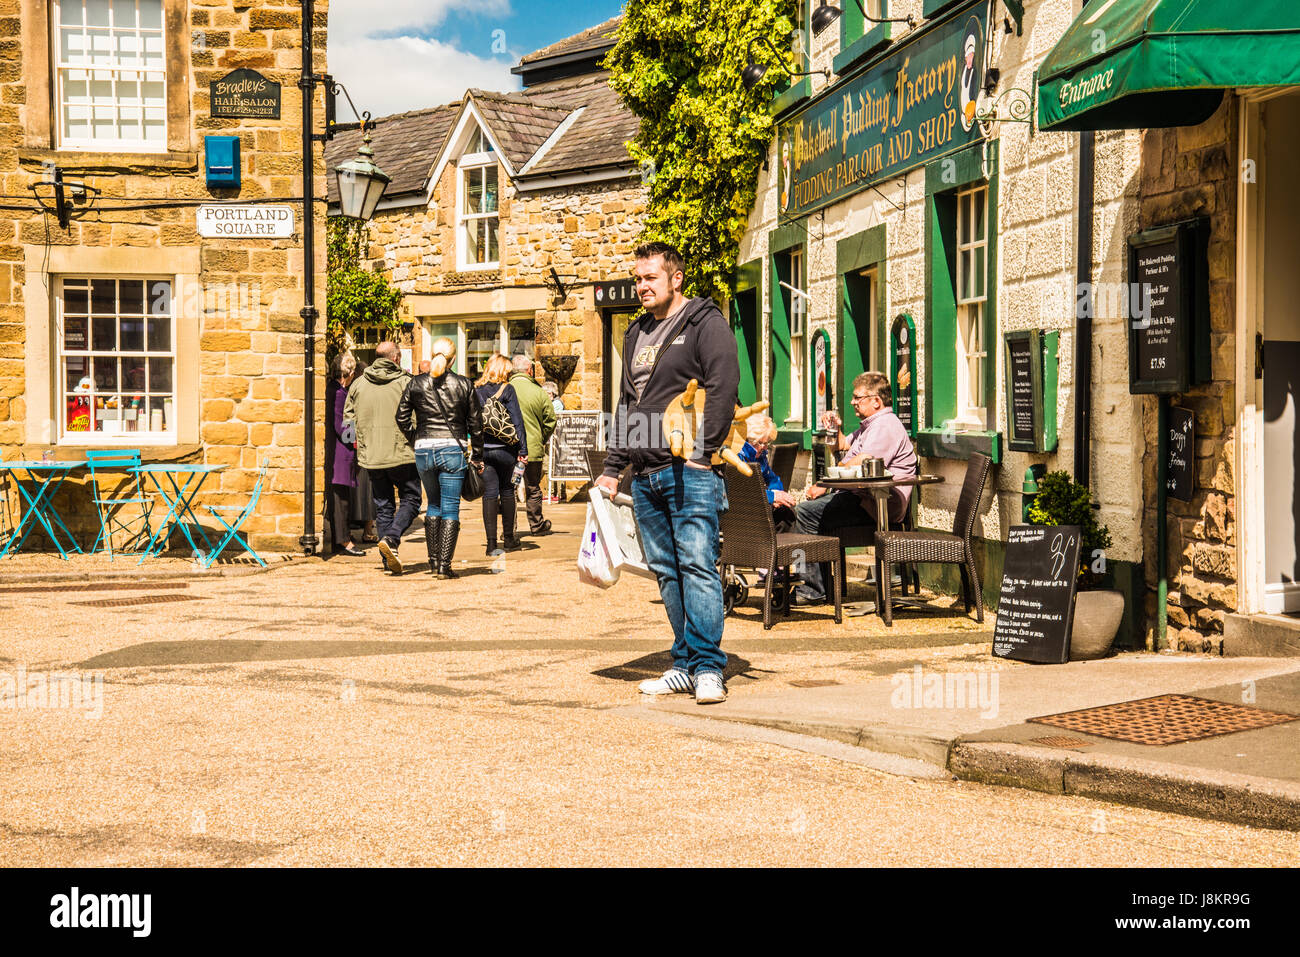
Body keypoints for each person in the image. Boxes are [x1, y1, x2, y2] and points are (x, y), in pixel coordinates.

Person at [597, 241, 739, 705]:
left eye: (650, 278)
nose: (640, 286)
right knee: (665, 571)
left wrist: (703, 452)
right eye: (637, 278)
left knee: (697, 566)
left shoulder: (705, 323)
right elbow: (627, 404)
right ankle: (683, 663)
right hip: (645, 475)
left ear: (675, 278)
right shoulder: (635, 333)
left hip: (689, 471)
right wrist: (614, 467)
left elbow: (724, 386)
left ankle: (708, 667)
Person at [792, 371, 918, 605]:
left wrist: (827, 480)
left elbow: (862, 461)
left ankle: (812, 589)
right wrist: (833, 428)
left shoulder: (886, 425)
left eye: (857, 398)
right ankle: (822, 586)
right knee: (809, 511)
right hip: (863, 498)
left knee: (805, 514)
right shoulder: (869, 426)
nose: (852, 402)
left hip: (879, 507)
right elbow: (842, 446)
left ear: (876, 401)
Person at [396, 336, 484, 578]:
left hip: (424, 449)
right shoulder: (464, 384)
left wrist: (416, 439)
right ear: (453, 358)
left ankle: (433, 560)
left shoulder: (416, 383)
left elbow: (401, 417)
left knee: (432, 504)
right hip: (452, 449)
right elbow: (476, 424)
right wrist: (477, 454)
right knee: (450, 507)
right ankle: (445, 566)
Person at [345, 341, 422, 575]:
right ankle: (391, 538)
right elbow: (416, 419)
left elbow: (347, 422)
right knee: (412, 499)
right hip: (402, 454)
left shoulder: (357, 384)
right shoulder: (406, 383)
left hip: (372, 456)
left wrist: (358, 446)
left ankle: (388, 559)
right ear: (396, 358)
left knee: (384, 506)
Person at [473, 353, 527, 556]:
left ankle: (490, 544)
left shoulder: (476, 390)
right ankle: (510, 538)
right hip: (506, 451)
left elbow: (472, 423)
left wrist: (475, 453)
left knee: (489, 494)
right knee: (507, 491)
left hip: (485, 449)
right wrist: (523, 450)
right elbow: (517, 421)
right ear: (504, 370)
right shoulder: (508, 389)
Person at [509, 355, 557, 535]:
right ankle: (536, 525)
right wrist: (539, 438)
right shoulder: (538, 392)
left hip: (509, 448)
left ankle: (509, 528)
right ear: (529, 370)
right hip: (532, 449)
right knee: (533, 488)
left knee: (509, 490)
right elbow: (550, 421)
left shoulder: (505, 388)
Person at [326, 352, 365, 556]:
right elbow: (343, 425)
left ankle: (341, 539)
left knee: (339, 498)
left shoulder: (332, 389)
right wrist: (356, 440)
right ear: (349, 373)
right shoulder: (340, 393)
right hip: (341, 453)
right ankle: (343, 541)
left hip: (337, 452)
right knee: (341, 499)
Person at [738, 414, 797, 532]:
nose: (765, 448)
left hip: (758, 505)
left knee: (787, 512)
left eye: (767, 443)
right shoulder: (737, 455)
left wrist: (775, 493)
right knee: (784, 516)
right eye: (761, 443)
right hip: (741, 511)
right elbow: (743, 491)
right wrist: (772, 497)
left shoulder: (760, 456)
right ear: (748, 440)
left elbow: (773, 479)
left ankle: (781, 548)